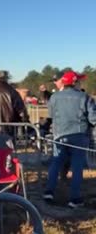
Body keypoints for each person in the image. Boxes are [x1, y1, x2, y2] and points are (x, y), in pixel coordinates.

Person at [43, 71, 96, 208]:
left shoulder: (54, 97)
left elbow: (50, 116)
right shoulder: (84, 97)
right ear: (74, 82)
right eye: (79, 81)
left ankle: (49, 191)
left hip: (59, 135)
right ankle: (74, 199)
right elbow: (93, 119)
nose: (80, 83)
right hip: (79, 136)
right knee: (77, 167)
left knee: (56, 162)